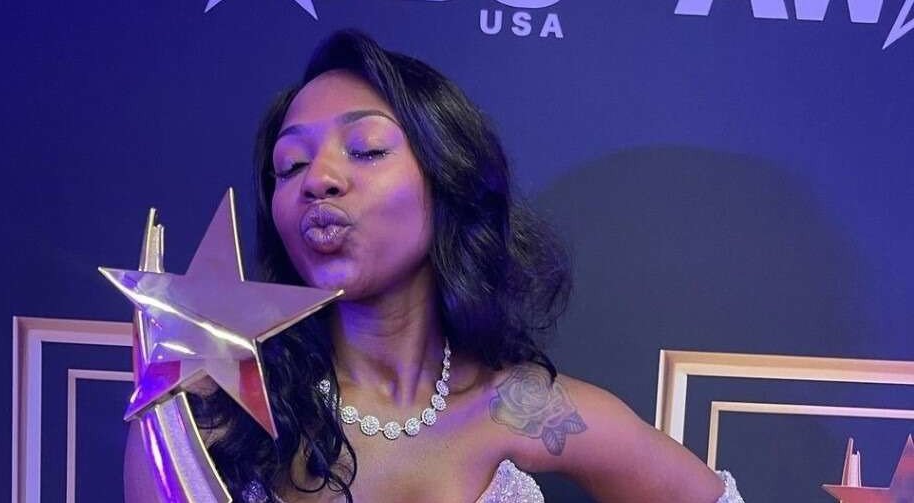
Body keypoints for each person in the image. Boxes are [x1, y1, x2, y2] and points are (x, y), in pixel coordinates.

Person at [192, 30, 743, 503]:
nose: (317, 180)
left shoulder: (524, 407)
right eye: (290, 165)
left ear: (447, 178)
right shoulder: (224, 413)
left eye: (366, 149)